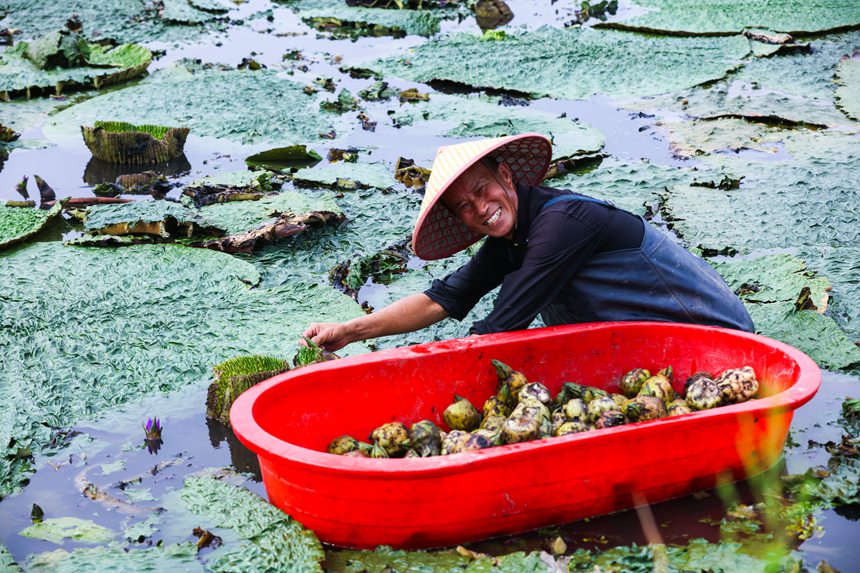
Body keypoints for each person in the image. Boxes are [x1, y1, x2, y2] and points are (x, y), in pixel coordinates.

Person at [303, 133, 754, 351]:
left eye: (482, 189)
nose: (481, 209)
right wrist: (350, 331)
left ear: (505, 175)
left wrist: (432, 363)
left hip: (718, 340)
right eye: (464, 207)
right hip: (647, 346)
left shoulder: (564, 222)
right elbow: (444, 298)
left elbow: (502, 323)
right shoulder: (514, 236)